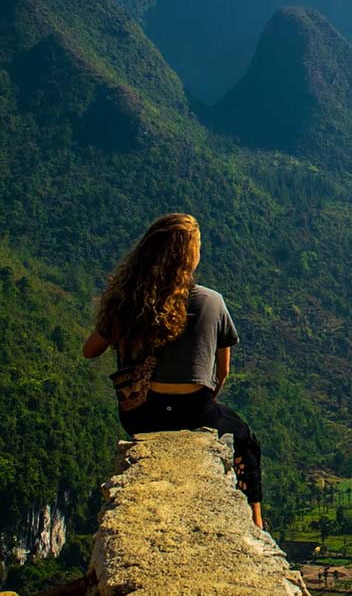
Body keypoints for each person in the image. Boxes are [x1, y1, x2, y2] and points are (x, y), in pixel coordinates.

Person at [82, 213, 264, 529]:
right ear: (191, 257)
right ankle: (257, 522)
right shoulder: (212, 301)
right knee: (245, 438)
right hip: (195, 415)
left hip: (140, 415)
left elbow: (90, 350)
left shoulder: (131, 302)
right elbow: (222, 374)